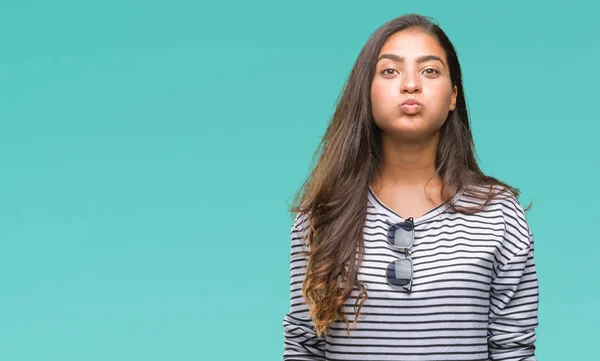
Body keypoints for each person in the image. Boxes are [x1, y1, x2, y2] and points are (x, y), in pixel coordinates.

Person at [282, 13, 539, 361]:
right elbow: (303, 346)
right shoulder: (323, 216)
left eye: (430, 71)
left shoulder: (498, 213)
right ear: (366, 93)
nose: (410, 84)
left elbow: (514, 350)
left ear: (453, 96)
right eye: (390, 71)